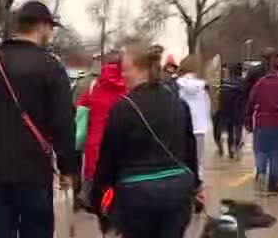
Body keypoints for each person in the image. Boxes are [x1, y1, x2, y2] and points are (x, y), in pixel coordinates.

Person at [0, 1, 77, 238]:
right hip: (35, 173)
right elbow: (64, 122)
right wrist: (67, 167)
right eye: (50, 28)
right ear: (42, 27)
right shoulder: (51, 68)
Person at [93, 42, 200, 238]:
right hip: (177, 191)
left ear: (140, 69)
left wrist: (99, 195)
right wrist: (196, 186)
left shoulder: (123, 108)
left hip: (137, 195)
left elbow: (108, 158)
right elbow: (189, 149)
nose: (123, 75)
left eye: (125, 70)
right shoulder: (178, 103)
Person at [77, 59, 128, 235]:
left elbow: (79, 110)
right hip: (122, 155)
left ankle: (106, 228)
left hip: (96, 152)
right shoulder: (129, 89)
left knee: (102, 202)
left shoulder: (94, 88)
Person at [245, 58, 278, 195]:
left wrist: (248, 121)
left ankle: (261, 173)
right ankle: (273, 184)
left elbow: (251, 102)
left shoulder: (260, 83)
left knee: (261, 150)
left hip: (262, 121)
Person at [176, 55, 213, 176]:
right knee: (198, 159)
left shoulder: (176, 85)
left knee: (183, 157)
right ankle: (197, 180)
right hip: (199, 127)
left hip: (182, 125)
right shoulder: (203, 86)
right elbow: (208, 106)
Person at [215, 63, 247, 159]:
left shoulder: (223, 82)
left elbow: (217, 95)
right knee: (237, 128)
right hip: (239, 108)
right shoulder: (243, 83)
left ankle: (226, 146)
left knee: (229, 129)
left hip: (225, 109)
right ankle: (235, 146)